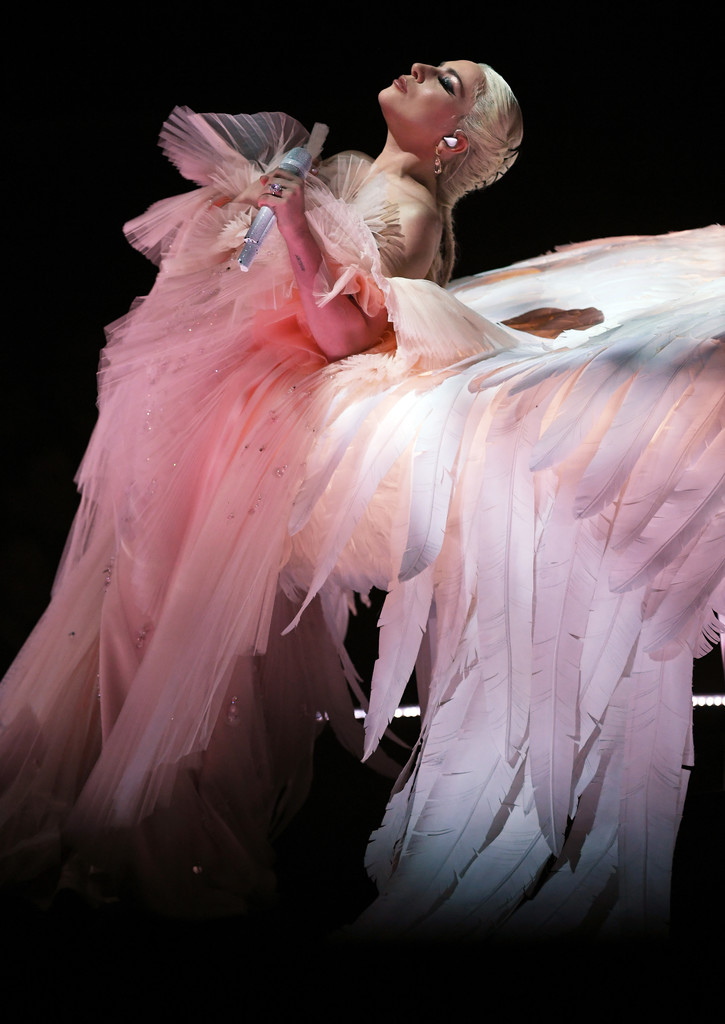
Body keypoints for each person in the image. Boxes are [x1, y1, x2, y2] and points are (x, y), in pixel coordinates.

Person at [0, 59, 722, 939]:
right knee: (132, 608)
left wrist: (291, 223)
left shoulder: (410, 211)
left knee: (161, 618)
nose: (419, 68)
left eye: (446, 81)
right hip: (218, 391)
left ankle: (143, 837)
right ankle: (106, 812)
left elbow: (344, 332)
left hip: (259, 413)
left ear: (450, 141)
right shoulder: (352, 173)